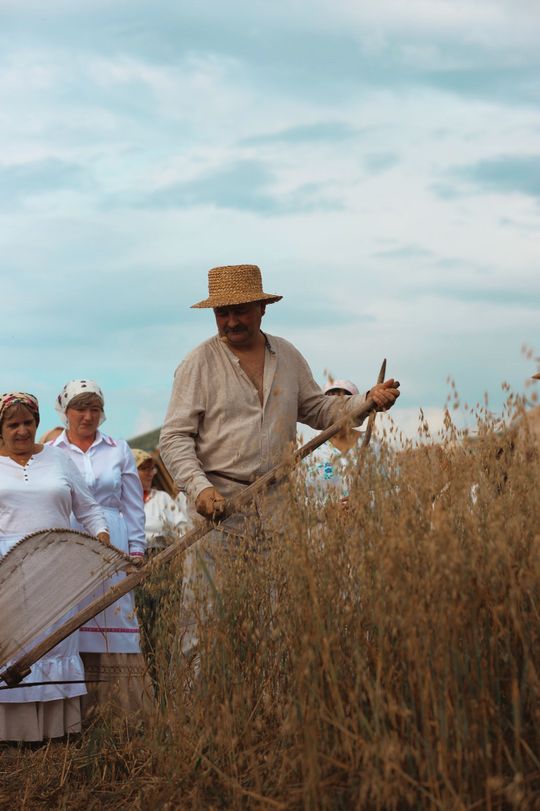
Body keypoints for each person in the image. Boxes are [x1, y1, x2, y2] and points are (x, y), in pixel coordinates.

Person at [159, 264, 400, 659]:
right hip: (220, 510)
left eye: (241, 310)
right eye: (223, 313)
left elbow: (320, 411)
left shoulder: (286, 355)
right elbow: (174, 438)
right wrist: (199, 489)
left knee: (277, 620)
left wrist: (366, 401)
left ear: (262, 308)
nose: (232, 321)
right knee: (205, 623)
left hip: (277, 508)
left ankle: (272, 712)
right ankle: (196, 713)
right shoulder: (198, 364)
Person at [0, 392, 109, 742]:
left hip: (59, 565)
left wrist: (102, 537)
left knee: (55, 643)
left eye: (28, 423)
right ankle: (14, 734)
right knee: (13, 647)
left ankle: (56, 730)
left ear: (38, 424)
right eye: (12, 424)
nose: (21, 431)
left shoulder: (59, 460)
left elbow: (89, 509)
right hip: (8, 567)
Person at [52, 380, 151, 720]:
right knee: (71, 615)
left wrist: (136, 549)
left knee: (114, 613)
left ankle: (120, 711)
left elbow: (133, 504)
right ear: (65, 412)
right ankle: (74, 711)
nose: (87, 416)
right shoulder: (54, 451)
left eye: (94, 409)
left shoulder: (118, 449)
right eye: (80, 408)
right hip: (70, 536)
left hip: (113, 536)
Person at [305, 379, 365, 504]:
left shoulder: (373, 445)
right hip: (324, 522)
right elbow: (298, 499)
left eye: (345, 402)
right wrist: (328, 510)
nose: (337, 408)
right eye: (330, 403)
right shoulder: (309, 451)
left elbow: (395, 489)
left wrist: (366, 503)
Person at [132, 448, 189, 552]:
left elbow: (182, 528)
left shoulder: (161, 498)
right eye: (145, 469)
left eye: (152, 469)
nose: (151, 473)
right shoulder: (120, 507)